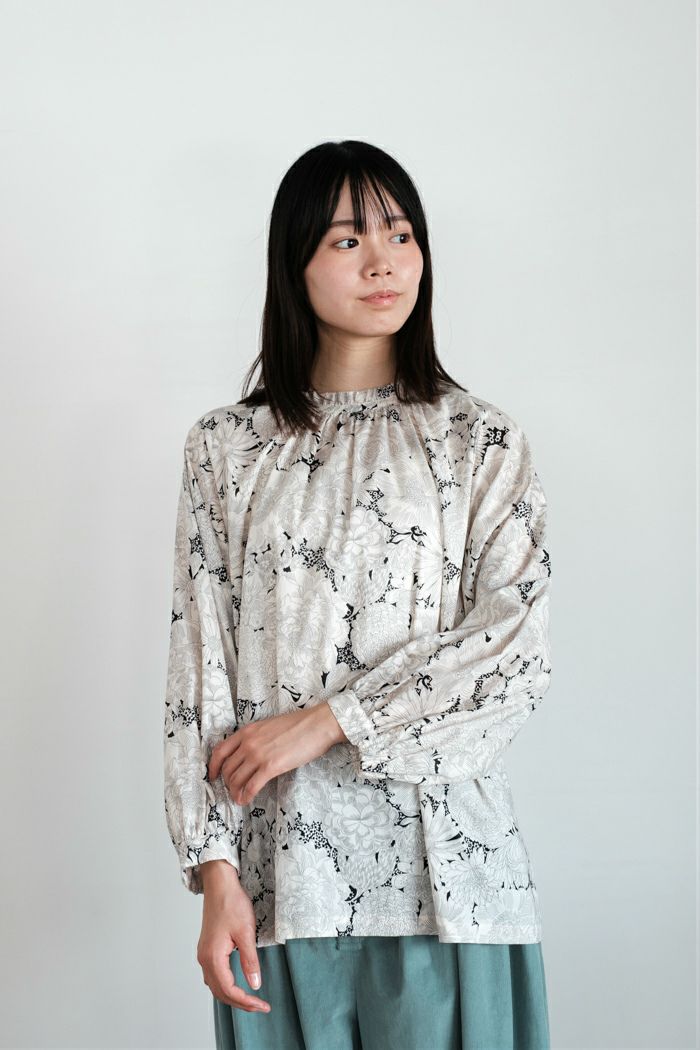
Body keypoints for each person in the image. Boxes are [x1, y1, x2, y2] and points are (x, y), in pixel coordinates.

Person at [163, 139, 553, 1050]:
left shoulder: (480, 441)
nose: (383, 261)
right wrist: (214, 869)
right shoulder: (226, 448)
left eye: (401, 234)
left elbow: (513, 655)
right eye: (347, 240)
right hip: (279, 883)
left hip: (448, 885)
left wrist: (327, 722)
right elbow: (199, 665)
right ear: (293, 264)